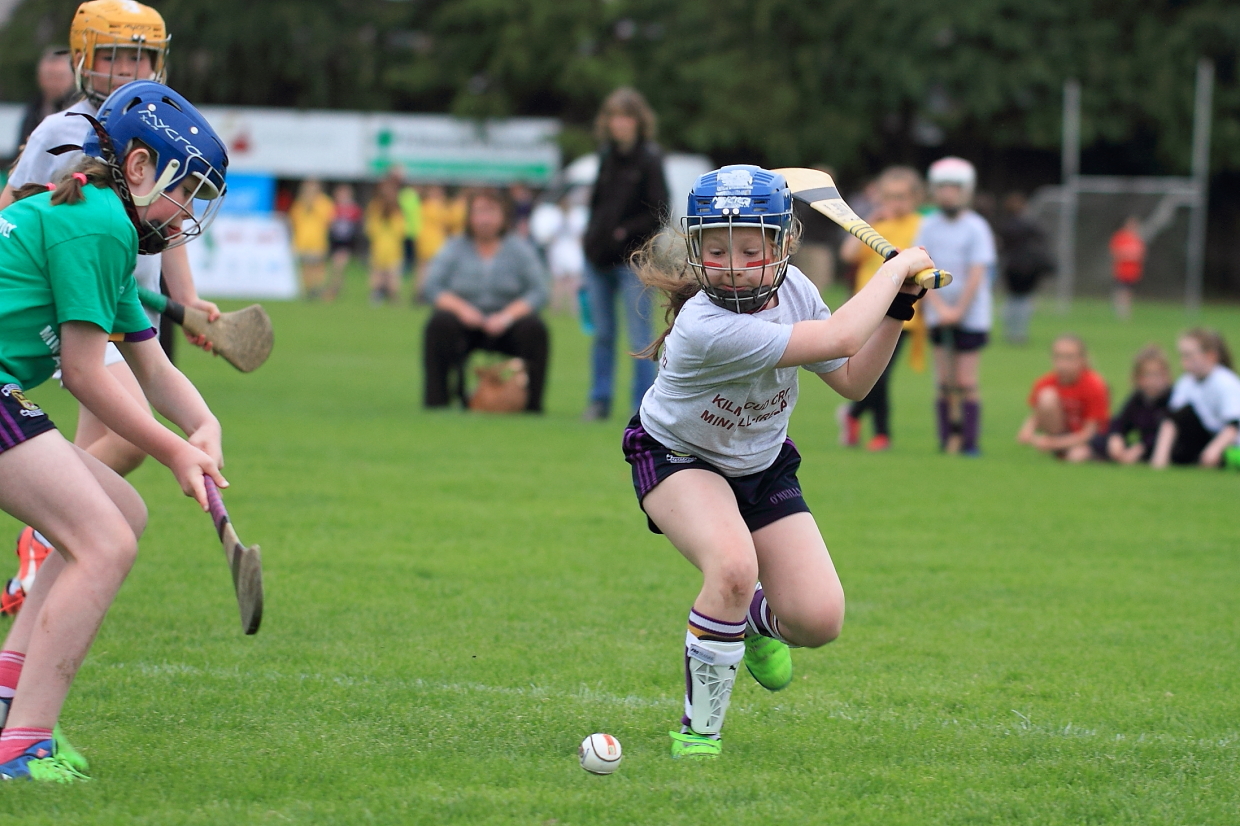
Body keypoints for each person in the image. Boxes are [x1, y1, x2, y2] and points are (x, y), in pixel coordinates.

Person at [622, 165, 936, 758]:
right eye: (716, 249)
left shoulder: (793, 291)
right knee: (734, 568)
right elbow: (840, 339)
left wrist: (898, 310)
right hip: (677, 457)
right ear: (696, 249)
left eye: (749, 248)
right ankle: (699, 738)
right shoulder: (705, 327)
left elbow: (850, 379)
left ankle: (750, 620)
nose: (734, 263)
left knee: (818, 621)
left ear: (783, 244)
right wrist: (894, 265)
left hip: (762, 463)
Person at [0, 81, 229, 783]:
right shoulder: (99, 224)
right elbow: (85, 373)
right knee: (104, 542)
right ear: (135, 167)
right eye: (183, 191)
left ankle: (8, 688)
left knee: (120, 512)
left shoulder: (111, 225)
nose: (187, 211)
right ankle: (23, 745)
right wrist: (171, 451)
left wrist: (202, 422)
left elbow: (150, 366)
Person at [0, 1, 219, 617]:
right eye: (114, 55)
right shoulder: (63, 132)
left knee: (126, 445)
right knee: (116, 445)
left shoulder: (162, 132)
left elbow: (168, 231)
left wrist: (188, 299)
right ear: (83, 60)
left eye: (141, 56)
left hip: (121, 307)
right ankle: (51, 521)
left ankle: (49, 524)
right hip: (71, 305)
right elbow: (18, 208)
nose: (128, 68)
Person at [581, 87, 669, 422]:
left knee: (640, 338)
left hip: (632, 261)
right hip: (597, 257)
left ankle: (643, 406)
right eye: (614, 116)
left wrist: (625, 231)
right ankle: (599, 399)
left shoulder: (650, 158)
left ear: (638, 121)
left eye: (626, 116)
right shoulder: (606, 155)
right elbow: (597, 204)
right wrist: (590, 237)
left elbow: (658, 209)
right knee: (602, 334)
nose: (620, 124)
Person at [422, 188, 550, 412]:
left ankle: (531, 406)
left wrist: (507, 317)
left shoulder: (519, 249)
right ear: (469, 217)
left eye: (491, 212)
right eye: (479, 212)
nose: (485, 219)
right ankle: (437, 402)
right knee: (438, 324)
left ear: (503, 216)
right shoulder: (455, 247)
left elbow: (539, 291)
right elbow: (432, 286)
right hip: (465, 323)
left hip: (506, 324)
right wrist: (462, 310)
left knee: (535, 329)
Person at [837, 166, 926, 451]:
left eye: (901, 196)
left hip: (903, 313)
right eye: (888, 197)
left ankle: (867, 425)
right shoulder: (876, 226)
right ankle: (870, 427)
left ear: (915, 197)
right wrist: (870, 220)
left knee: (880, 374)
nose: (894, 203)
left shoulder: (921, 225)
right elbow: (848, 254)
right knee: (874, 373)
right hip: (868, 312)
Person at [916, 157, 997, 455]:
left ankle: (970, 441)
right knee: (944, 380)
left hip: (971, 314)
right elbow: (921, 266)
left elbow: (977, 273)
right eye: (942, 187)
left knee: (965, 380)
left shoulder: (976, 227)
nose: (948, 193)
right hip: (940, 312)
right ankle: (947, 437)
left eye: (954, 187)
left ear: (966, 191)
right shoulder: (928, 225)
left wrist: (959, 310)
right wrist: (937, 306)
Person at [1151, 329, 1240, 470]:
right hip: (1201, 438)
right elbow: (1173, 419)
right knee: (1177, 416)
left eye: (1189, 356)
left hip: (1228, 443)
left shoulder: (1226, 382)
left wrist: (1213, 450)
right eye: (1182, 356)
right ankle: (1159, 462)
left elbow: (1233, 425)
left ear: (1210, 356)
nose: (1184, 362)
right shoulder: (1185, 382)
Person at [1016, 335, 1110, 463]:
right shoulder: (1044, 382)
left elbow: (1090, 432)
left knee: (1077, 457)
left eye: (1069, 357)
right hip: (1063, 433)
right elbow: (1037, 414)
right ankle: (1061, 450)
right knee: (1046, 396)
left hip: (1090, 439)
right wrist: (1027, 429)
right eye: (1058, 357)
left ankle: (1066, 450)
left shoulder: (1095, 384)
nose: (1063, 363)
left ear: (1082, 359)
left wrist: (1053, 444)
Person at [1098, 345, 1172, 464]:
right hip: (1142, 448)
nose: (1153, 381)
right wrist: (1116, 437)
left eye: (1157, 374)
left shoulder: (1172, 400)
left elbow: (1161, 434)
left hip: (1168, 450)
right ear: (1138, 378)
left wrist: (1141, 448)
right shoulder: (1138, 399)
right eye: (1148, 375)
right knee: (1099, 440)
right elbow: (1120, 421)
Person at [996, 191, 1053, 345]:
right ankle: (1020, 333)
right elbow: (1043, 238)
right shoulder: (1029, 224)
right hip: (1028, 267)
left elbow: (1001, 246)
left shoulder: (1005, 225)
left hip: (1010, 266)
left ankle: (1010, 331)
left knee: (1012, 299)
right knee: (1024, 300)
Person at [17, 47, 77, 148]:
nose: (54, 83)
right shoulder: (33, 107)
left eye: (60, 77)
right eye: (49, 76)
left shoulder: (78, 110)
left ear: (72, 78)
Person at [287, 178, 335, 300]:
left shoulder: (324, 203)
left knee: (318, 267)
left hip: (318, 241)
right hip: (302, 241)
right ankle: (307, 291)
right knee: (305, 267)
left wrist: (313, 206)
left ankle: (317, 289)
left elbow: (329, 219)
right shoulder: (300, 203)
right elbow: (294, 220)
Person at [364, 177, 406, 304]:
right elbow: (370, 229)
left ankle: (393, 296)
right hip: (378, 247)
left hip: (393, 248)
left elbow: (401, 230)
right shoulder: (375, 207)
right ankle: (377, 294)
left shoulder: (398, 210)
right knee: (377, 273)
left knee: (393, 274)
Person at [325, 182, 361, 300]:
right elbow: (329, 224)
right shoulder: (333, 207)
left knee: (339, 265)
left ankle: (334, 289)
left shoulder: (354, 209)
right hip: (335, 241)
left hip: (346, 242)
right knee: (336, 266)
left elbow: (357, 225)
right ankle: (336, 287)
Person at [1109, 216, 1145, 321]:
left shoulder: (1137, 238)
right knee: (1122, 291)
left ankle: (1124, 310)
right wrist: (1128, 254)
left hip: (1133, 272)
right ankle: (1122, 312)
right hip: (1121, 271)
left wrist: (1129, 254)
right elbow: (1116, 253)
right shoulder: (1120, 237)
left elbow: (1140, 254)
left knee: (1128, 292)